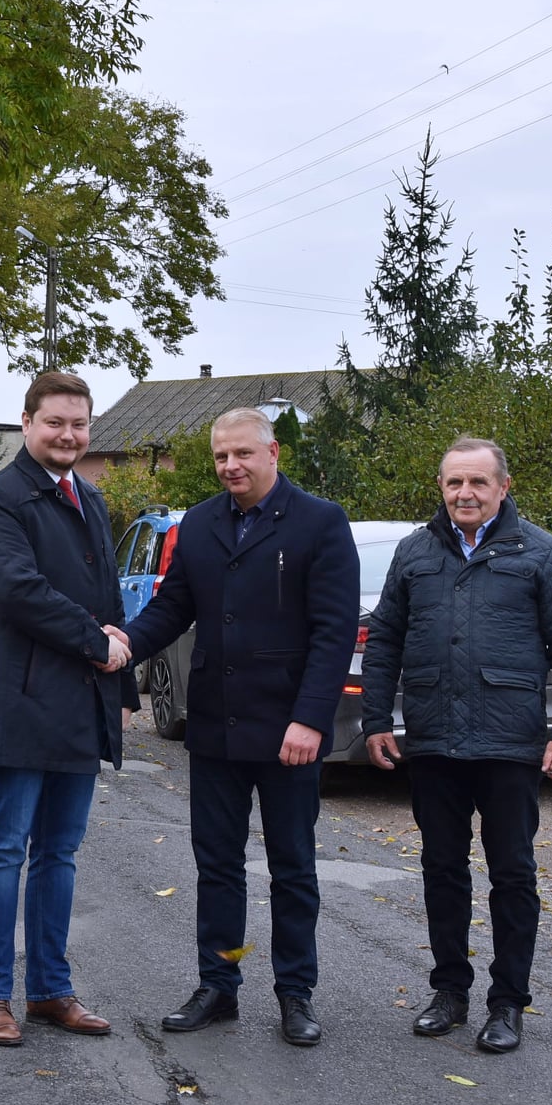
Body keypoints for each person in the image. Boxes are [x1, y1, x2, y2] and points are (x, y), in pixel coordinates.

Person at [109, 408, 359, 1046]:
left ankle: (295, 993)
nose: (231, 467)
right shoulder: (198, 523)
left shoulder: (320, 522)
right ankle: (218, 986)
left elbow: (333, 636)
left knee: (292, 868)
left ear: (273, 451)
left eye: (243, 454)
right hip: (216, 727)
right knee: (217, 866)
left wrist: (310, 719)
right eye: (222, 457)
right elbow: (172, 607)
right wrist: (123, 647)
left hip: (288, 734)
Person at [362, 437, 552, 1054]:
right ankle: (449, 992)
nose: (465, 494)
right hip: (434, 740)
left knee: (512, 874)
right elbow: (383, 640)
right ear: (441, 488)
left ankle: (508, 1003)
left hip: (510, 743)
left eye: (477, 483)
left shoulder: (541, 553)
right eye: (453, 484)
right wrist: (375, 719)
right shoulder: (415, 552)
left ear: (502, 488)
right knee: (442, 870)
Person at [0, 371, 137, 1047]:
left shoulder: (90, 498)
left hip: (81, 704)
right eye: (55, 422)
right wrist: (96, 643)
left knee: (60, 855)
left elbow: (109, 598)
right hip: (21, 703)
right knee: (4, 851)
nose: (68, 435)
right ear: (27, 423)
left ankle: (50, 991)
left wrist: (120, 689)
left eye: (79, 424)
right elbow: (18, 590)